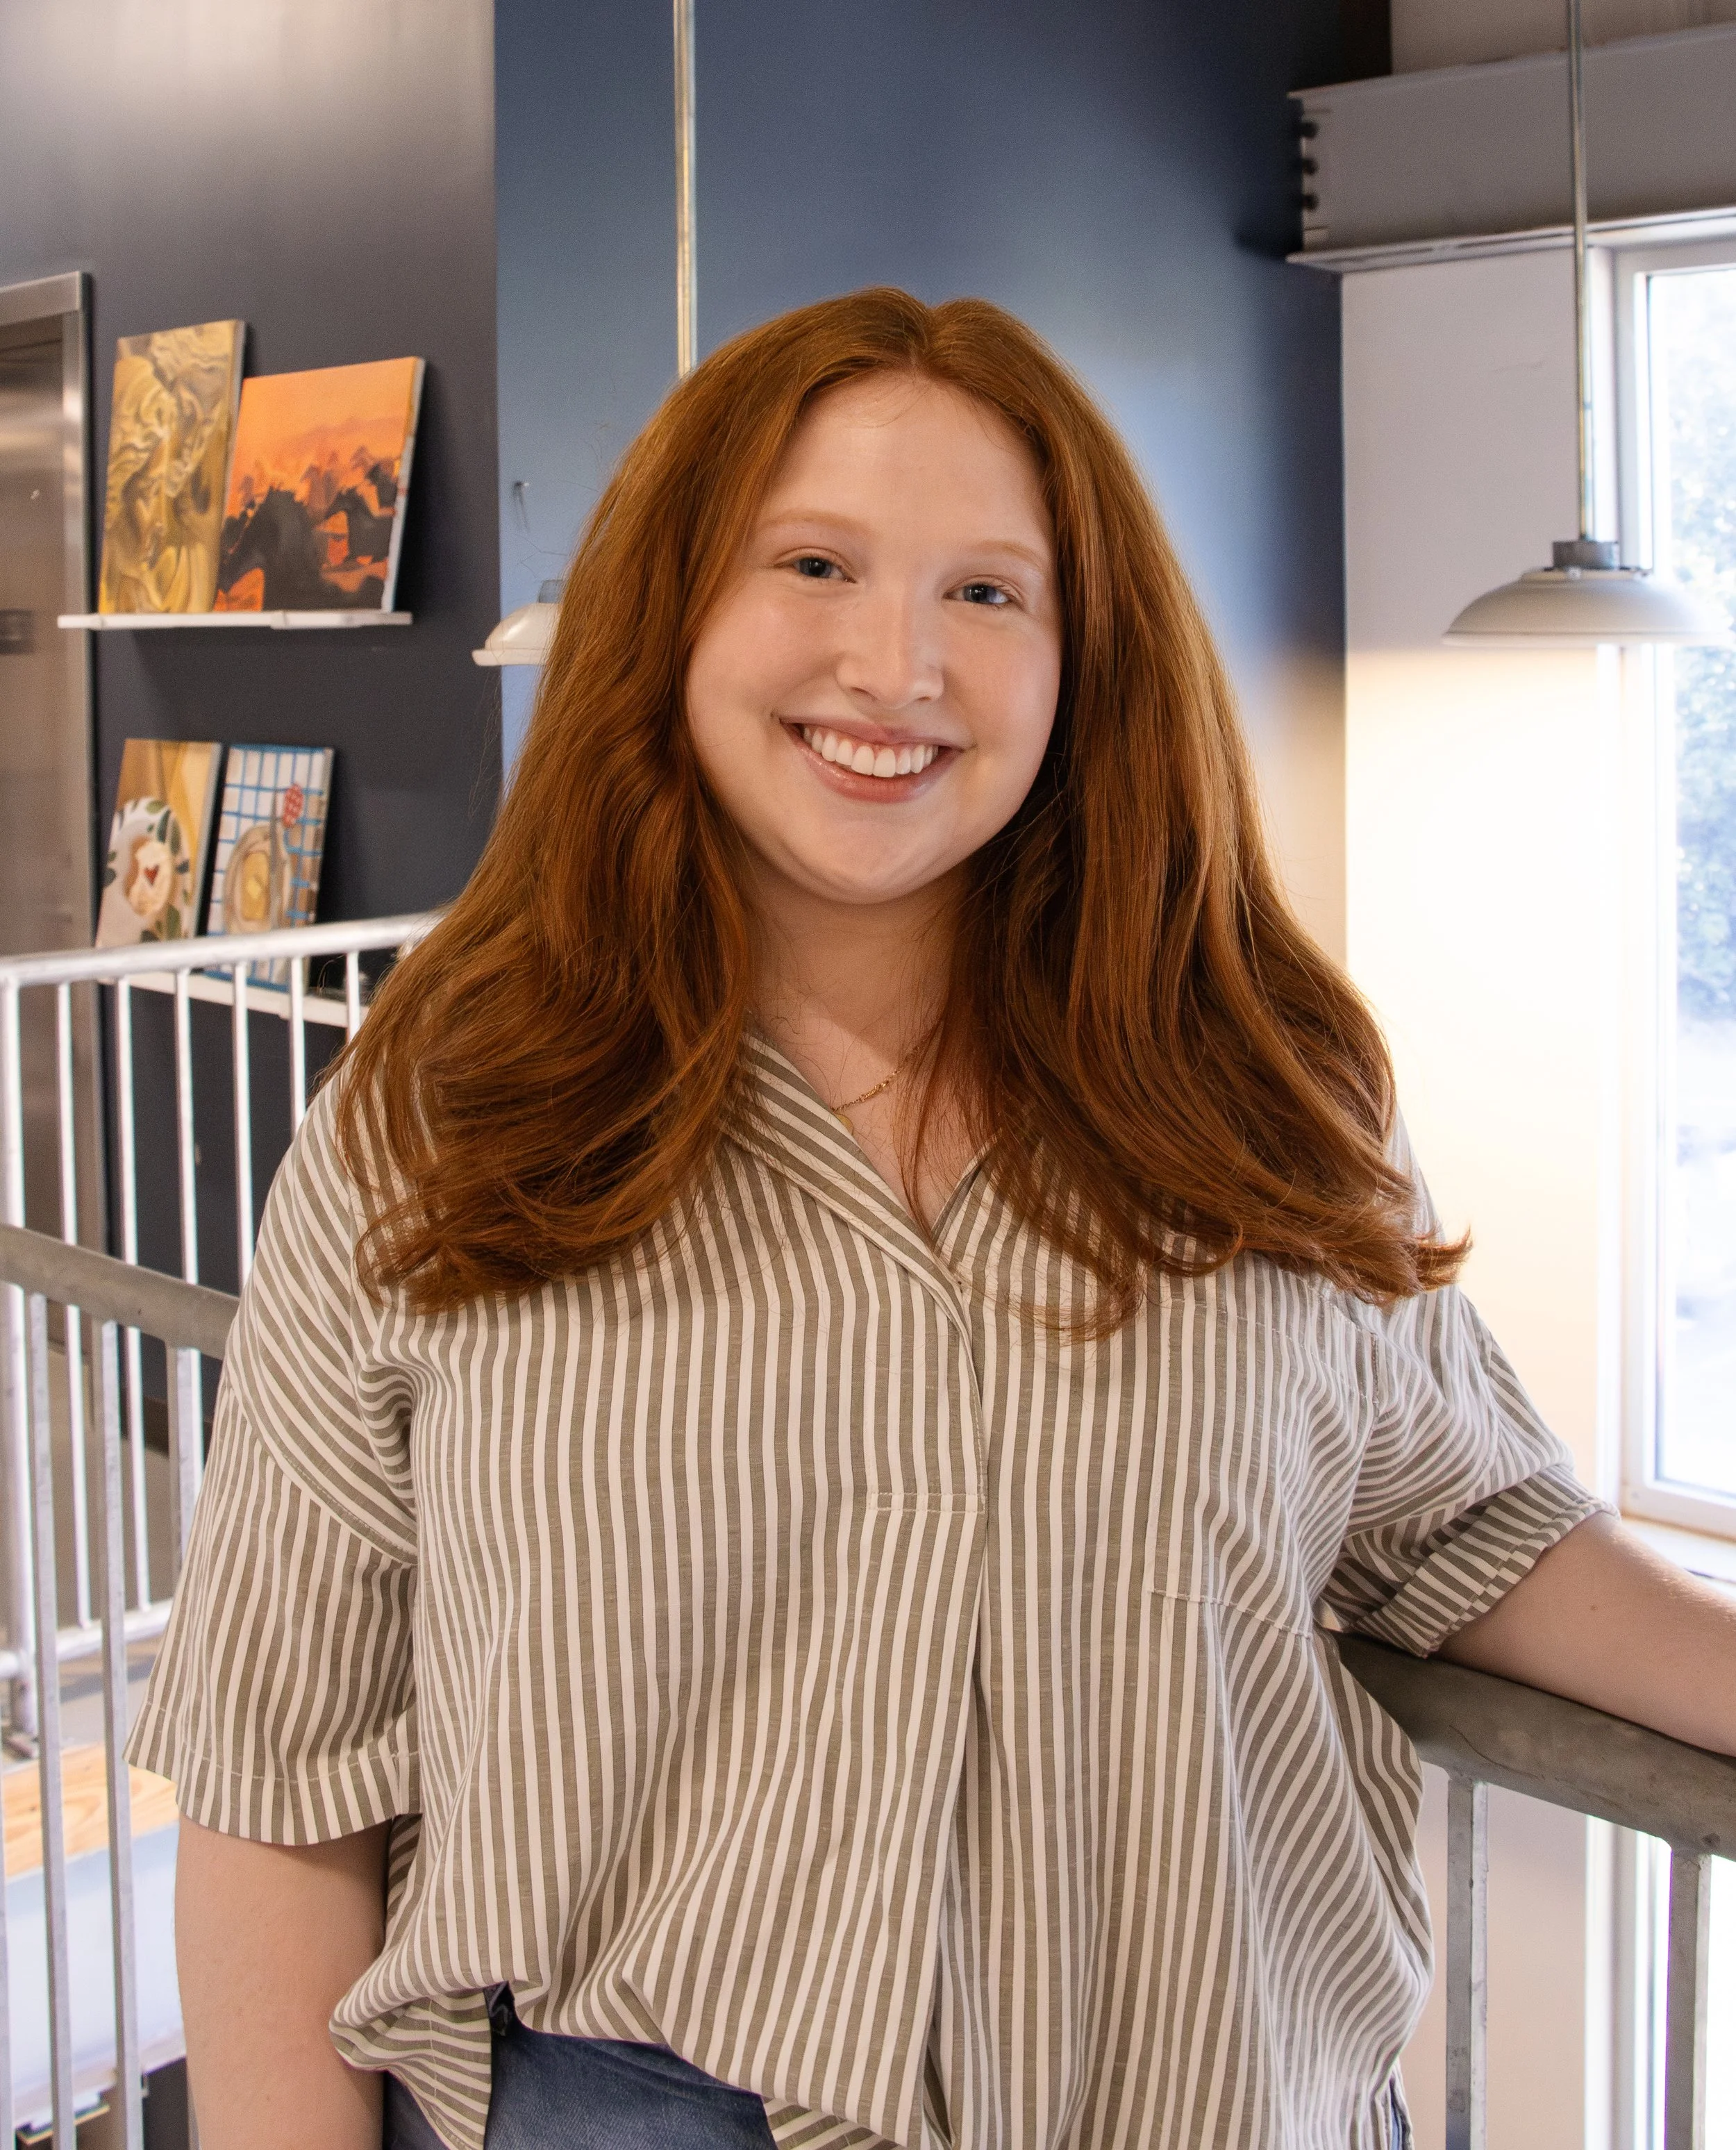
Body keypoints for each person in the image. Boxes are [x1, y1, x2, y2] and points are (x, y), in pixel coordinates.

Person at [130, 288, 1736, 2150]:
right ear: (673, 612)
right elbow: (277, 1768)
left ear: (1083, 659)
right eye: (813, 563)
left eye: (989, 594)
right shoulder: (443, 1119)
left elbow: (1458, 1517)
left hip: (1228, 2100)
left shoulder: (1259, 1085)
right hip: (632, 2110)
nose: (896, 665)